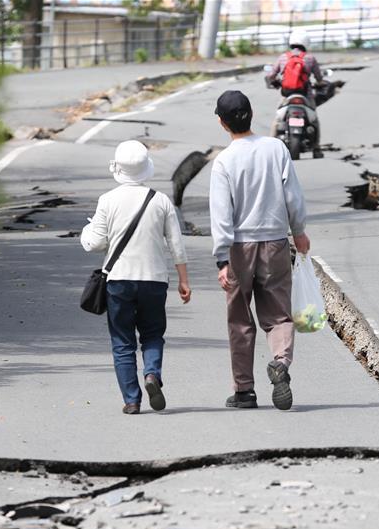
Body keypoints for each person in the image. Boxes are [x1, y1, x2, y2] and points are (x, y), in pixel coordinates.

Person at [209, 90, 311, 411]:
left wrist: (222, 259)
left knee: (240, 318)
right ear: (252, 115)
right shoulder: (276, 148)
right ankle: (280, 362)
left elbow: (221, 215)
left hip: (239, 247)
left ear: (222, 123)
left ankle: (244, 391)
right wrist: (299, 232)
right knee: (279, 314)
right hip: (276, 242)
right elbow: (292, 196)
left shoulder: (224, 161)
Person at [81, 140, 191, 415]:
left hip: (118, 280)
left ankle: (132, 399)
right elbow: (176, 244)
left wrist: (86, 231)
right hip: (154, 279)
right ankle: (152, 373)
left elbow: (94, 243)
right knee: (153, 334)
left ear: (118, 169)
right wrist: (184, 281)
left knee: (123, 341)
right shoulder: (161, 200)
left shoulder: (107, 200)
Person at [265, 30, 325, 158]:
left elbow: (271, 75)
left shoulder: (283, 57)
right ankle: (316, 148)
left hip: (287, 95)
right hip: (305, 95)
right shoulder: (310, 58)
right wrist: (320, 83)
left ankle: (270, 147)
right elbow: (319, 78)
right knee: (314, 120)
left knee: (277, 119)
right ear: (306, 43)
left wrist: (274, 82)